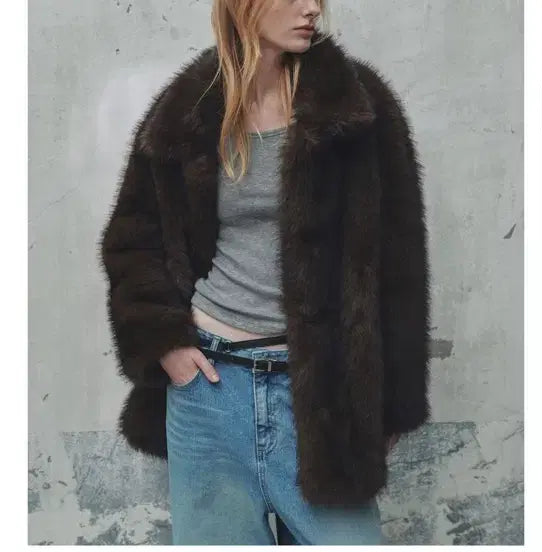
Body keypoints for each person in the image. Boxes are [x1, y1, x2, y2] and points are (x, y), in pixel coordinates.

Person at [99, 0, 431, 545]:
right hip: (211, 391)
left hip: (321, 396)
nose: (312, 9)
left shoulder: (357, 107)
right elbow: (134, 241)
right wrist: (167, 345)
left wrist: (390, 402)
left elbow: (399, 264)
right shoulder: (188, 110)